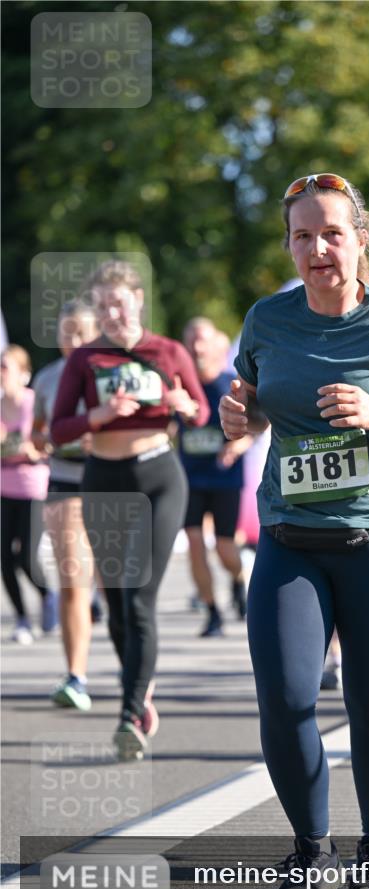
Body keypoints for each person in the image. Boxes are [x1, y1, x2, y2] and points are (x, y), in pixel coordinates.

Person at [220, 172, 369, 889]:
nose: (318, 248)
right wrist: (245, 417)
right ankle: (309, 851)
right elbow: (257, 400)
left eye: (332, 233)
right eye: (302, 236)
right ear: (290, 246)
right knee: (286, 697)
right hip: (290, 539)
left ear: (359, 241)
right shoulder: (267, 319)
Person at [51, 260, 210, 760]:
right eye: (102, 307)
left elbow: (201, 412)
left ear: (138, 300)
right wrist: (97, 416)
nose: (112, 314)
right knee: (117, 606)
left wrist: (185, 407)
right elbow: (57, 430)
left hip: (159, 478)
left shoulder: (168, 350)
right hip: (104, 480)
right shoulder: (86, 359)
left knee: (139, 598)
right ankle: (140, 691)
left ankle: (129, 712)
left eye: (118, 303)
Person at [32, 300, 100, 709]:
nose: (73, 341)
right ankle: (76, 676)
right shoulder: (47, 378)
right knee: (73, 579)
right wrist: (49, 440)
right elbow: (39, 433)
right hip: (65, 479)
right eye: (66, 332)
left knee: (121, 587)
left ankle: (136, 677)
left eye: (81, 332)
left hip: (112, 480)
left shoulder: (112, 373)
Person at [180, 317, 252, 637]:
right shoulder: (179, 386)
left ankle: (238, 579)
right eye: (192, 340)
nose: (197, 346)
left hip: (224, 478)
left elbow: (259, 426)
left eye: (203, 340)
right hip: (190, 478)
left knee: (225, 548)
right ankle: (212, 612)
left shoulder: (231, 384)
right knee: (195, 542)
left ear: (216, 346)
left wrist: (237, 448)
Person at [1, 345, 55, 643]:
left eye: (6, 367)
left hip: (33, 488)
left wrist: (23, 448)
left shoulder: (33, 403)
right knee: (4, 560)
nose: (1, 373)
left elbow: (46, 444)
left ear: (24, 373)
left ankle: (49, 596)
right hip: (4, 488)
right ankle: (22, 618)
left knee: (27, 559)